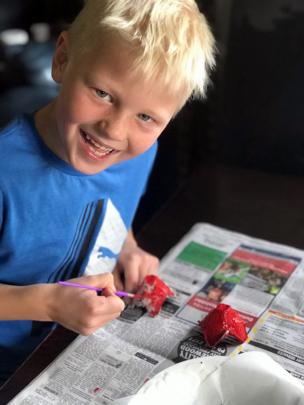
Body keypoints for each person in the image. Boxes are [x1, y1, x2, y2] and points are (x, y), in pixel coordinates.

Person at [0, 0, 215, 384]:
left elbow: (110, 211)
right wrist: (46, 303)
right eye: (102, 93)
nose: (114, 131)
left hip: (68, 353)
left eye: (146, 117)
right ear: (62, 60)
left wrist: (128, 247)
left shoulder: (136, 155)